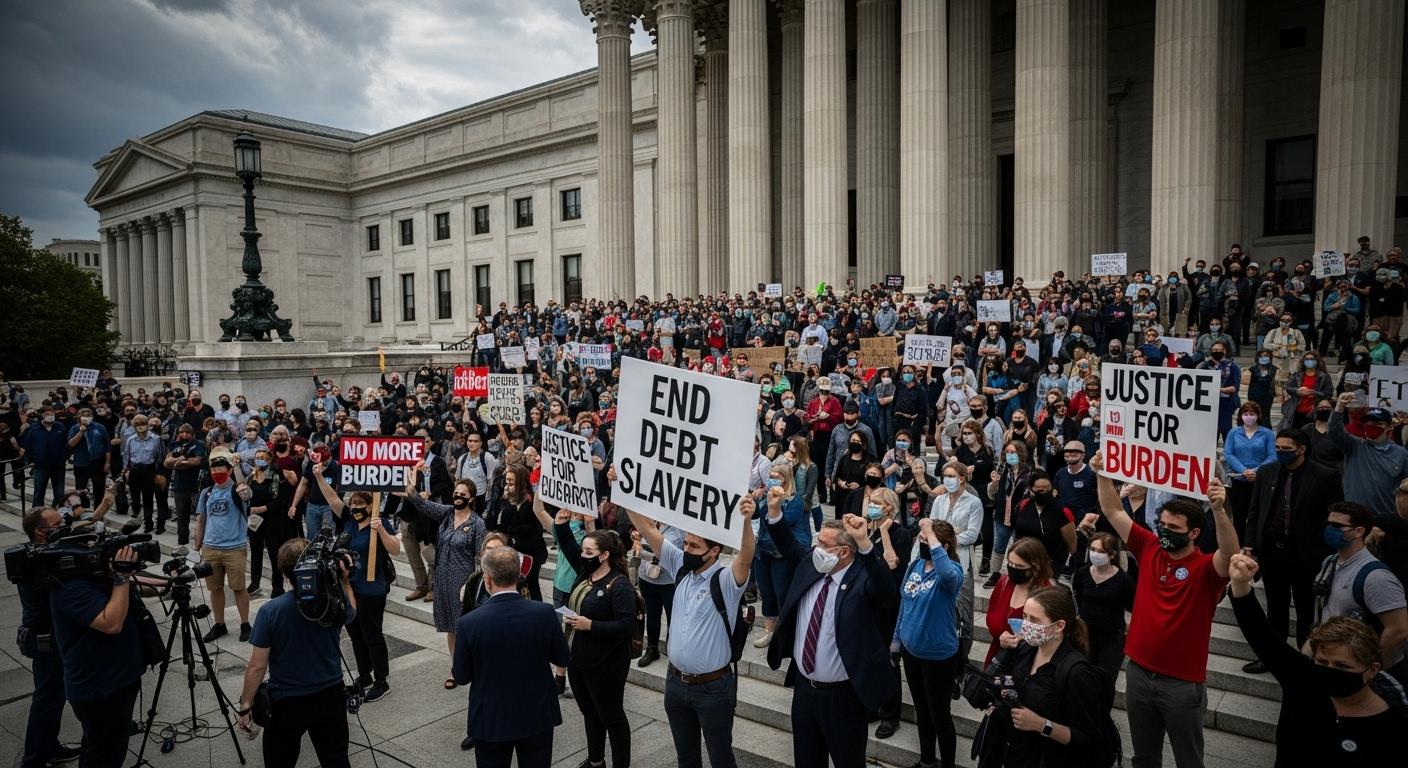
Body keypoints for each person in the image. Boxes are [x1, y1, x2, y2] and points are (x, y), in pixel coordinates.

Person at [1091, 452, 1238, 768]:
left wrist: (1219, 510)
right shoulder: (1150, 547)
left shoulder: (1204, 569)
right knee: (1144, 757)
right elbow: (1113, 509)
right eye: (1161, 524)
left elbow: (1230, 554)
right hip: (1138, 673)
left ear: (1194, 532)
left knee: (1189, 759)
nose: (1164, 530)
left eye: (1173, 527)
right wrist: (1103, 474)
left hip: (1182, 685)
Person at [1230, 552, 1408, 765]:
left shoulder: (1393, 722)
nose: (1329, 670)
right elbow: (1262, 636)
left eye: (1342, 665)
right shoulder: (1303, 681)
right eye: (1322, 662)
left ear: (1372, 669)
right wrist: (1240, 584)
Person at [622, 493, 757, 768]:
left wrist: (745, 522)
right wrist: (624, 491)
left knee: (721, 758)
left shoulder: (726, 581)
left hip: (713, 688)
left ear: (714, 551)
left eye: (694, 546)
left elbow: (745, 557)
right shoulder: (681, 567)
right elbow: (647, 529)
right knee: (686, 758)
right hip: (674, 684)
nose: (687, 549)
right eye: (685, 543)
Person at [763, 508, 898, 768]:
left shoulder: (862, 580)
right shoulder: (810, 566)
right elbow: (789, 546)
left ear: (844, 552)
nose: (816, 550)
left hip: (843, 698)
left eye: (823, 545)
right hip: (804, 691)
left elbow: (885, 589)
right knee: (807, 760)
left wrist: (864, 542)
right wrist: (774, 512)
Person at [236, 539, 358, 768]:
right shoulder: (331, 605)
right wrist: (345, 581)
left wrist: (246, 704)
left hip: (287, 701)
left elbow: (257, 666)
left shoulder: (270, 611)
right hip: (330, 694)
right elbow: (351, 614)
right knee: (336, 760)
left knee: (279, 761)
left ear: (283, 571)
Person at [452, 545, 571, 768]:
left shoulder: (469, 623)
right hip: (537, 716)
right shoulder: (544, 613)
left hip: (491, 719)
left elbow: (461, 675)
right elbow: (563, 658)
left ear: (487, 580)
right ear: (519, 575)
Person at [1242, 429, 1341, 672]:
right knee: (1275, 608)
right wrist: (1249, 545)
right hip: (1273, 552)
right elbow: (1255, 511)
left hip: (1306, 555)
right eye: (1277, 448)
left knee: (1306, 610)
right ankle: (1273, 657)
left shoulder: (1325, 476)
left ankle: (1305, 658)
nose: (1280, 453)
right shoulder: (1267, 472)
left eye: (1286, 449)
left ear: (1301, 449)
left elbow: (1334, 515)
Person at [984, 585, 1110, 768]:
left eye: (1034, 619)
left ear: (1058, 626)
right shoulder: (1026, 649)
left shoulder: (1077, 672)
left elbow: (1089, 738)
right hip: (1014, 754)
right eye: (1025, 616)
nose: (1026, 624)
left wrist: (1041, 724)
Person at [552, 506, 638, 768]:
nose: (583, 555)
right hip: (580, 659)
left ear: (604, 556)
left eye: (589, 552)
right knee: (589, 712)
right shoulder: (585, 573)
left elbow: (625, 626)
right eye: (583, 551)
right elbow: (567, 545)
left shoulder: (619, 584)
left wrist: (591, 625)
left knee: (612, 717)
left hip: (607, 664)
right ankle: (595, 760)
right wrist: (561, 524)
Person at [49, 542, 143, 768]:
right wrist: (121, 576)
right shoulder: (72, 588)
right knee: (103, 755)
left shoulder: (92, 579)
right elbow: (111, 623)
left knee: (107, 749)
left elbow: (124, 595)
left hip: (114, 683)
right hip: (100, 689)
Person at [401, 471, 487, 677]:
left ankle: (473, 664)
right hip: (442, 579)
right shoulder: (447, 513)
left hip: (463, 582)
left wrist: (478, 585)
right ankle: (455, 667)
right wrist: (411, 491)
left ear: (472, 498)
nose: (457, 496)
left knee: (464, 627)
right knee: (450, 626)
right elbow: (424, 505)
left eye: (462, 494)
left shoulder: (477, 524)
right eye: (456, 493)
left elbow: (482, 556)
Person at [894, 518, 965, 768]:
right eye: (922, 539)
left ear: (943, 546)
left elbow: (946, 574)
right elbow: (905, 603)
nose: (922, 542)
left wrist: (931, 535)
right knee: (922, 711)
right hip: (911, 651)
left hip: (938, 656)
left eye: (927, 540)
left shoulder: (952, 571)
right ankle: (926, 761)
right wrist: (896, 642)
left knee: (939, 715)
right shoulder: (915, 565)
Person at [1313, 502, 1408, 682]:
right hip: (1333, 662)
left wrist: (1367, 665)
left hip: (1360, 674)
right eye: (1329, 524)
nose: (1330, 530)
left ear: (1358, 532)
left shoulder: (1376, 577)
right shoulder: (1329, 562)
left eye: (1338, 526)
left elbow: (1399, 630)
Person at [322, 480, 399, 702]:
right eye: (353, 502)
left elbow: (394, 548)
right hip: (349, 587)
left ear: (370, 505)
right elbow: (332, 498)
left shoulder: (380, 521)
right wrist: (318, 477)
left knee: (371, 634)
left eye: (360, 503)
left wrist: (380, 529)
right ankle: (364, 675)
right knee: (355, 634)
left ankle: (381, 680)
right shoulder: (348, 520)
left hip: (372, 590)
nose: (355, 507)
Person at [16, 507, 81, 767]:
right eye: (57, 524)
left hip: (51, 635)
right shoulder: (32, 560)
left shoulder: (44, 553)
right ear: (40, 533)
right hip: (44, 638)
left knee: (54, 697)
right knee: (47, 698)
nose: (64, 525)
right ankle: (33, 759)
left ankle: (49, 747)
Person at [194, 454, 254, 642]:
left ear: (228, 471)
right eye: (213, 471)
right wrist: (198, 543)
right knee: (215, 588)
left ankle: (245, 624)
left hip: (235, 547)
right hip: (211, 547)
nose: (216, 474)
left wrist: (237, 469)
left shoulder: (237, 490)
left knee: (238, 587)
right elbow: (201, 518)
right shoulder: (207, 492)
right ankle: (219, 624)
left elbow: (246, 493)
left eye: (220, 471)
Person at [751, 461, 808, 649]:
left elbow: (777, 523)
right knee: (766, 594)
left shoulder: (795, 500)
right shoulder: (765, 497)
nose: (773, 479)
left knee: (781, 594)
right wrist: (754, 499)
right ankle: (769, 631)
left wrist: (771, 503)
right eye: (771, 476)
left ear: (786, 479)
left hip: (782, 555)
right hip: (763, 552)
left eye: (778, 476)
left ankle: (786, 634)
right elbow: (754, 517)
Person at [1330, 395, 1408, 519]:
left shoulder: (1402, 454)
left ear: (1389, 427)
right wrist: (1339, 407)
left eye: (1378, 423)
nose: (1371, 426)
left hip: (1386, 518)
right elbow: (1334, 432)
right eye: (1368, 422)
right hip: (1354, 517)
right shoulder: (1354, 445)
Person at [1072, 531, 1135, 681]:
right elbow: (1079, 598)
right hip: (1085, 633)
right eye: (1093, 550)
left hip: (1111, 637)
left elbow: (1132, 606)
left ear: (1112, 555)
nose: (1095, 554)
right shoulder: (1082, 573)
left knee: (1104, 679)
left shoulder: (1124, 580)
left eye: (1101, 551)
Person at [985, 537, 1055, 664]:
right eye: (1010, 563)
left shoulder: (1046, 594)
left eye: (1019, 566)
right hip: (998, 656)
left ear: (1035, 567)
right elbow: (992, 619)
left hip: (1026, 662)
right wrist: (1001, 637)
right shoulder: (1003, 583)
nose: (1012, 569)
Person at [483, 464, 546, 601]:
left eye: (511, 480)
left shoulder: (530, 502)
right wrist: (503, 501)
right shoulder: (505, 500)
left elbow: (532, 528)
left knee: (531, 584)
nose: (508, 484)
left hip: (531, 554)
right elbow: (494, 524)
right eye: (507, 480)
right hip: (513, 553)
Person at [1225, 401, 1275, 540]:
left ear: (1258, 415)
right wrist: (1243, 470)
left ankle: (1255, 542)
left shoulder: (1267, 434)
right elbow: (1228, 454)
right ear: (1241, 416)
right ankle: (1239, 542)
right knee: (1238, 514)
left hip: (1259, 480)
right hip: (1238, 479)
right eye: (1245, 414)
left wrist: (1256, 471)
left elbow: (1272, 456)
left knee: (1258, 513)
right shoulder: (1233, 432)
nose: (1248, 417)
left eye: (1252, 414)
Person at [929, 460, 983, 573]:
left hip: (961, 554)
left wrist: (946, 540)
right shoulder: (939, 500)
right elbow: (932, 525)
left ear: (962, 478)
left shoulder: (974, 502)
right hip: (939, 553)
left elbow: (972, 535)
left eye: (951, 476)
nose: (946, 480)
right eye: (945, 476)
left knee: (962, 587)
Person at [163, 421, 206, 546]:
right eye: (182, 432)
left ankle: (200, 544)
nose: (184, 435)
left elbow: (196, 461)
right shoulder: (174, 445)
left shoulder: (198, 445)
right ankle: (182, 543)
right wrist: (179, 460)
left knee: (200, 517)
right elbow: (167, 462)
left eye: (187, 432)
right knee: (182, 517)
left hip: (195, 486)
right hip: (179, 487)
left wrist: (178, 464)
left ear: (192, 434)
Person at [21, 404, 69, 508]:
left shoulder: (60, 427)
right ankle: (37, 517)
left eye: (52, 413)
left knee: (60, 493)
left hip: (58, 467)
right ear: (41, 415)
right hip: (40, 466)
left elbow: (67, 444)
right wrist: (28, 461)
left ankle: (57, 514)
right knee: (38, 493)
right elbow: (28, 446)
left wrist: (64, 457)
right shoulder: (34, 429)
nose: (50, 415)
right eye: (47, 414)